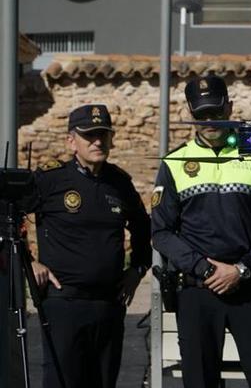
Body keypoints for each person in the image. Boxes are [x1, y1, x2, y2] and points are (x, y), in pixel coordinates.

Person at [151, 75, 251, 388]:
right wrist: (206, 268)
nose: (210, 121)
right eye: (201, 115)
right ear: (190, 114)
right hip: (198, 289)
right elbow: (161, 231)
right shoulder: (174, 163)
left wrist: (241, 269)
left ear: (230, 107)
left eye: (216, 112)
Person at [28, 104, 151, 388]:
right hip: (64, 304)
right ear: (72, 141)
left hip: (109, 304)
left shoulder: (119, 183)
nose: (98, 142)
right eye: (89, 136)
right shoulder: (51, 179)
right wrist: (28, 261)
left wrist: (137, 269)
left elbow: (143, 227)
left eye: (103, 135)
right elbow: (8, 215)